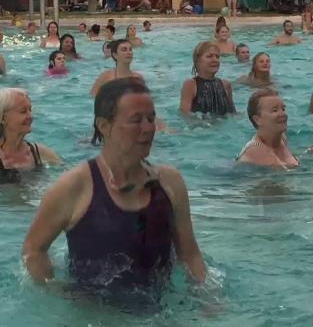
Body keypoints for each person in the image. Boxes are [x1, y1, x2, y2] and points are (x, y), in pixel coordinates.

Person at [22, 79, 206, 294]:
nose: (147, 128)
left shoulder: (170, 182)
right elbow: (33, 251)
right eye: (136, 120)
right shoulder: (74, 187)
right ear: (104, 126)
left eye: (151, 118)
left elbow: (190, 254)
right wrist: (61, 296)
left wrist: (208, 299)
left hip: (160, 310)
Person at [237, 89, 298, 168]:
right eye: (275, 110)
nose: (283, 114)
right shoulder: (256, 151)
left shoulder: (282, 138)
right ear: (257, 119)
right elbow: (288, 175)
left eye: (283, 109)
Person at [180, 42, 236, 116]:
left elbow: (233, 114)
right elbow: (185, 115)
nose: (215, 60)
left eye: (217, 56)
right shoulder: (191, 85)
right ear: (198, 61)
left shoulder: (226, 85)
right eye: (209, 56)